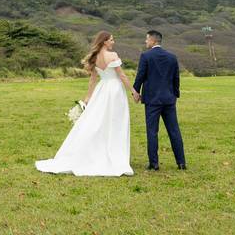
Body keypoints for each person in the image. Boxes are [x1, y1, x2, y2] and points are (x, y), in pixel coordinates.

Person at [35, 30, 136, 176]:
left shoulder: (95, 57)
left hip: (101, 91)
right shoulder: (112, 56)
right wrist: (133, 91)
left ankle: (98, 151)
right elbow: (121, 75)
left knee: (98, 121)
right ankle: (113, 154)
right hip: (114, 91)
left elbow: (93, 80)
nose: (113, 42)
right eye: (112, 40)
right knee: (115, 121)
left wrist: (88, 98)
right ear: (105, 41)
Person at [133, 29, 186, 171]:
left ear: (153, 41)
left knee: (152, 132)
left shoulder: (146, 56)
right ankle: (181, 163)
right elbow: (176, 79)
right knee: (174, 131)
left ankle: (154, 164)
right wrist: (175, 95)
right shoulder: (172, 57)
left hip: (152, 100)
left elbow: (140, 76)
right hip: (169, 99)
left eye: (147, 39)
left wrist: (135, 92)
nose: (145, 42)